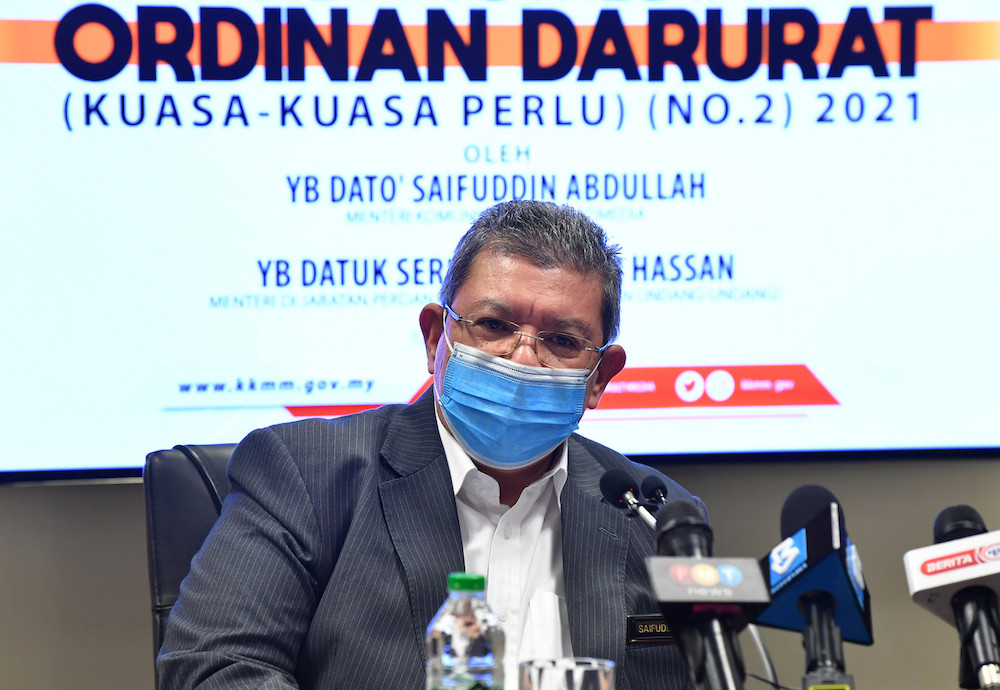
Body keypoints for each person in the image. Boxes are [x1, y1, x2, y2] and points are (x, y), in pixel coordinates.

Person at [158, 200, 705, 689]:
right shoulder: (305, 475)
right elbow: (214, 668)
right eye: (493, 325)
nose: (521, 357)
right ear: (434, 338)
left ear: (600, 376)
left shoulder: (658, 521)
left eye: (562, 341)